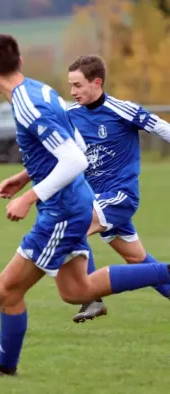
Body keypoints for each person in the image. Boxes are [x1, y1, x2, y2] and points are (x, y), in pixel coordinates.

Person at [0, 33, 170, 378]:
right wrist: (24, 178)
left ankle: (4, 368)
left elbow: (74, 159)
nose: (73, 90)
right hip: (77, 201)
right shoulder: (40, 90)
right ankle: (164, 272)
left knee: (8, 290)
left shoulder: (29, 103)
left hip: (64, 208)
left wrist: (29, 196)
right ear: (20, 63)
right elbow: (69, 145)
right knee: (77, 290)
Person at [64, 55, 170, 322]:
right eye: (70, 85)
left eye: (77, 85)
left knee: (75, 224)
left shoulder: (122, 110)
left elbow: (162, 129)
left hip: (120, 196)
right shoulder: (70, 116)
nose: (72, 92)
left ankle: (91, 298)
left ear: (96, 82)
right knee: (138, 260)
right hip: (96, 200)